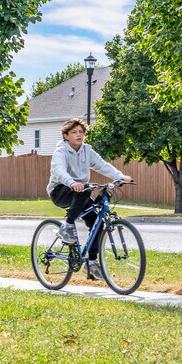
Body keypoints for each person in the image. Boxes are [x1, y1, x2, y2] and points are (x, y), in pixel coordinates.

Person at [47, 118, 132, 280]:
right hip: (61, 191)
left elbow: (102, 165)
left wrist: (120, 177)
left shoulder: (87, 150)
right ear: (66, 136)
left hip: (81, 192)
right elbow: (59, 171)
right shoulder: (61, 152)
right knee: (85, 189)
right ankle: (67, 226)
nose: (79, 135)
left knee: (97, 222)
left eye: (81, 132)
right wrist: (72, 183)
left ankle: (91, 263)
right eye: (74, 132)